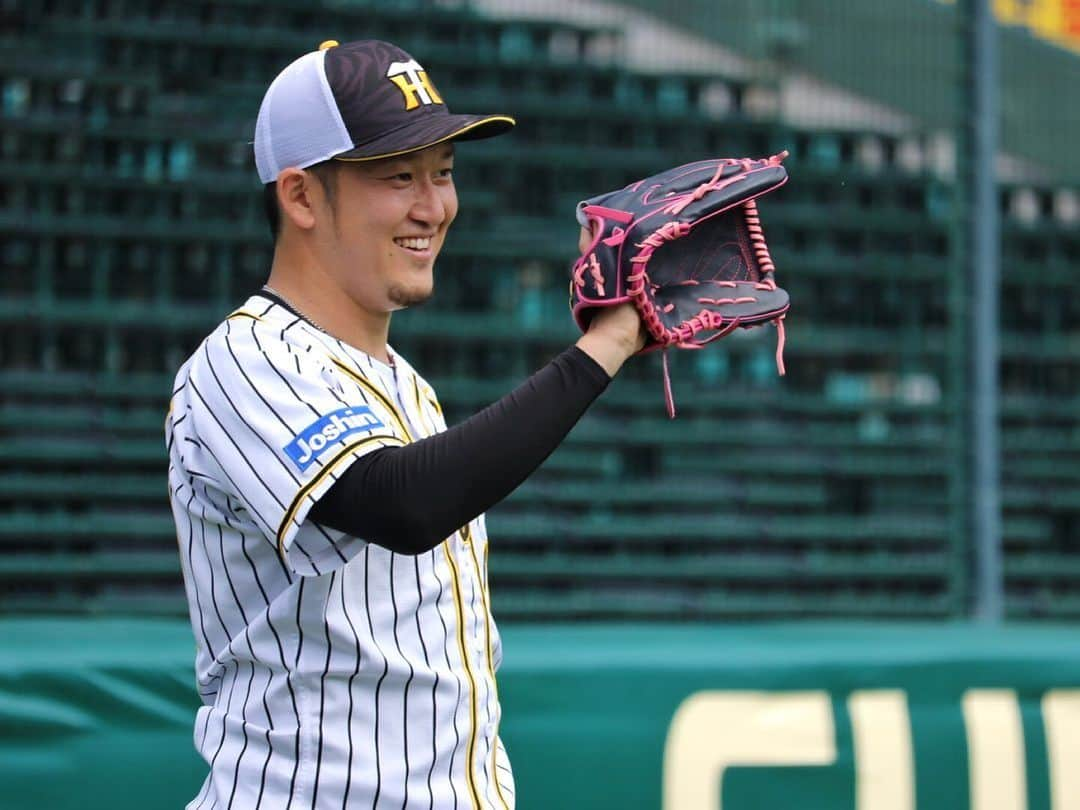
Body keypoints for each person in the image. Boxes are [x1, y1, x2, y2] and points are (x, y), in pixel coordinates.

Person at [166, 38, 643, 809]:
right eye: (398, 177)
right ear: (300, 197)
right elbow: (403, 504)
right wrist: (606, 345)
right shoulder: (242, 359)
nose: (433, 206)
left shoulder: (407, 388)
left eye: (443, 174)